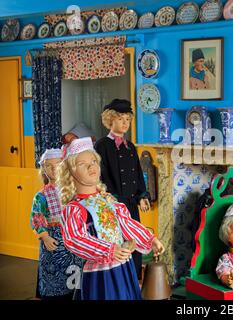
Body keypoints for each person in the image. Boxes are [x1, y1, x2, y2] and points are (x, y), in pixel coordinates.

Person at [57, 137, 165, 300]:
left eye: (94, 161)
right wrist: (110, 249)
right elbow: (75, 238)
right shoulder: (74, 209)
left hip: (123, 266)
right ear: (70, 173)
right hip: (100, 273)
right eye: (81, 164)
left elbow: (126, 223)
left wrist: (150, 239)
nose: (91, 166)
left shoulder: (108, 200)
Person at [94, 99, 151, 280]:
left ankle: (133, 278)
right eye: (120, 119)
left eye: (128, 119)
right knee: (118, 240)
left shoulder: (130, 146)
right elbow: (102, 175)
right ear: (110, 120)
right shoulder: (102, 145)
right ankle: (118, 279)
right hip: (113, 204)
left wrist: (142, 195)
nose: (125, 123)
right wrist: (112, 198)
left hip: (131, 204)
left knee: (133, 239)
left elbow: (138, 173)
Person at [30, 148, 83, 300]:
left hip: (73, 239)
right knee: (53, 275)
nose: (53, 169)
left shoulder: (73, 190)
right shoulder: (41, 196)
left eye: (58, 164)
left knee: (74, 273)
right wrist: (45, 236)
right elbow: (37, 217)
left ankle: (75, 295)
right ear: (43, 169)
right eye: (48, 166)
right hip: (53, 241)